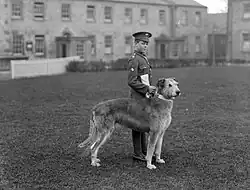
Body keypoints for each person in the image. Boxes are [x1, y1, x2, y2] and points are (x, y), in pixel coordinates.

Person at [127, 31, 157, 161]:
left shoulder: (143, 58)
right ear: (135, 44)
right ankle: (137, 153)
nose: (145, 46)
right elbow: (132, 81)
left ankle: (145, 151)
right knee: (136, 125)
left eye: (146, 44)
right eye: (142, 43)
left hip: (145, 97)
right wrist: (147, 88)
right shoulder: (134, 59)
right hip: (137, 98)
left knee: (144, 124)